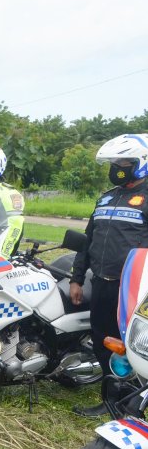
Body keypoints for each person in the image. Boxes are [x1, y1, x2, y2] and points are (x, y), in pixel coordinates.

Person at [70, 134, 148, 417]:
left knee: (132, 346)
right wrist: (77, 278)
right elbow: (87, 241)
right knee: (103, 340)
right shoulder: (106, 197)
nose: (118, 167)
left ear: (141, 163)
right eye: (115, 162)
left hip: (134, 289)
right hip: (101, 283)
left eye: (124, 162)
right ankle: (112, 398)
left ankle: (132, 403)